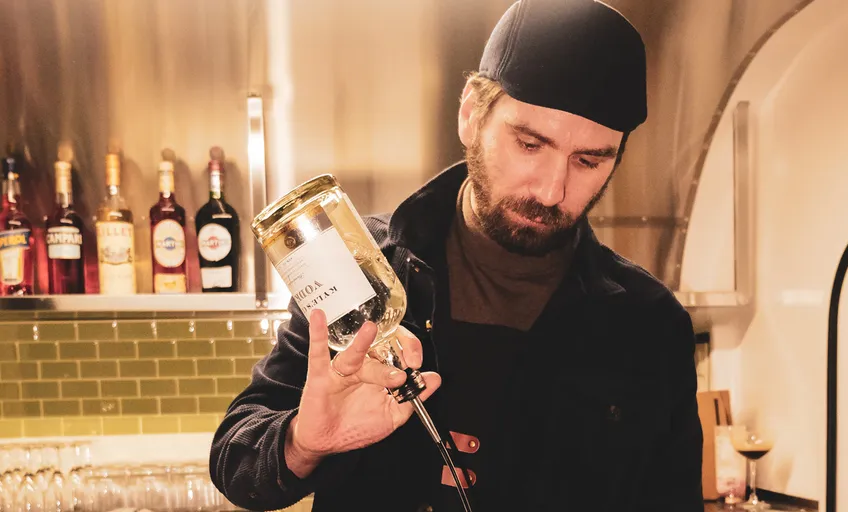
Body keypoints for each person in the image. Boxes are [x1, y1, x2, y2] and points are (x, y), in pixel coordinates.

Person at [210, 0, 704, 510]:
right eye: (530, 145)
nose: (553, 191)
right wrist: (301, 443)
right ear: (471, 114)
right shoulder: (357, 271)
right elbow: (235, 461)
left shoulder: (648, 325)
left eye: (589, 160)